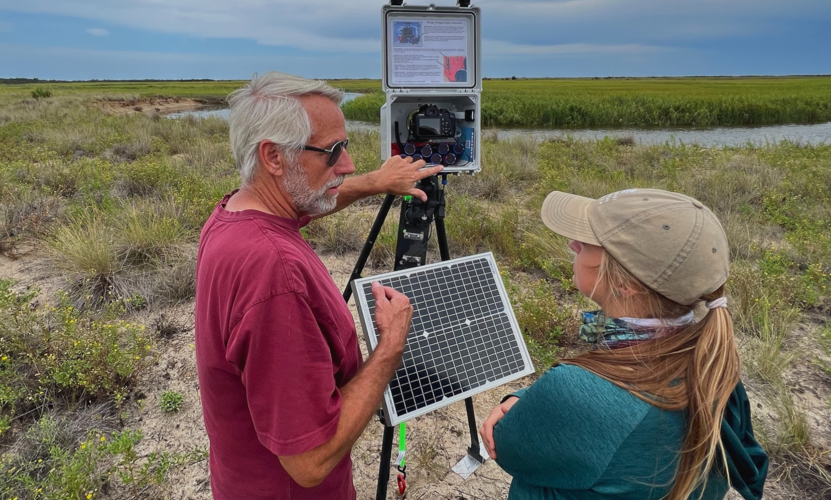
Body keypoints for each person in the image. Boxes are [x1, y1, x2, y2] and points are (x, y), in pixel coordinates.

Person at [195, 71, 441, 500]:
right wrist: (391, 347)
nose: (346, 165)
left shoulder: (236, 215)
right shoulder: (275, 275)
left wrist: (375, 182)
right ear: (273, 157)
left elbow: (307, 202)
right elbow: (311, 460)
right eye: (332, 152)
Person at [481, 188, 768, 500]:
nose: (572, 244)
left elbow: (507, 447)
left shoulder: (577, 390)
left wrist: (528, 403)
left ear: (624, 283)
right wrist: (536, 402)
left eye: (588, 242)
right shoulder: (713, 364)